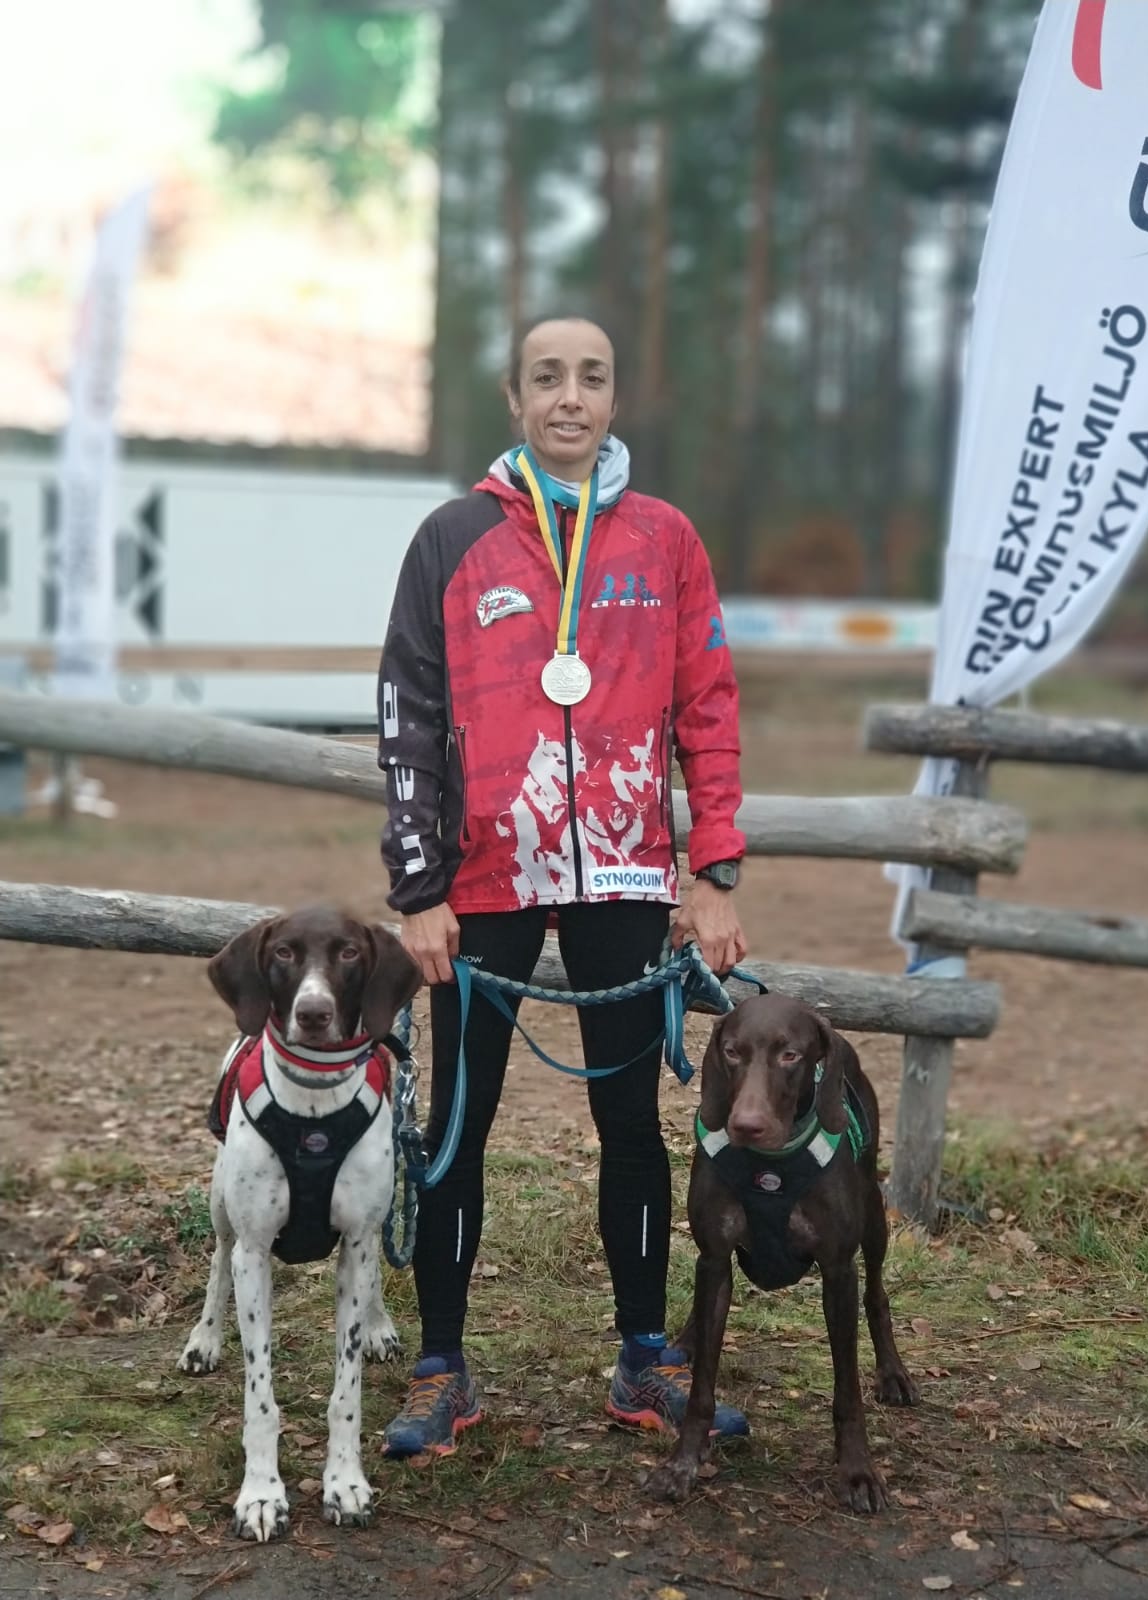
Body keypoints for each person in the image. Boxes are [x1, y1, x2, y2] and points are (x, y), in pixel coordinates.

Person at [375, 314, 749, 1457]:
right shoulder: (452, 538)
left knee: (629, 1120)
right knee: (461, 1123)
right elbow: (409, 720)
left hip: (628, 875)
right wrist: (418, 887)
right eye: (548, 378)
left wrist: (715, 869)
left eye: (590, 377)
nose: (569, 397)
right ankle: (442, 1367)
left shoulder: (666, 540)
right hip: (484, 876)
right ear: (514, 396)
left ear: (617, 396)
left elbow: (710, 708)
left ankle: (644, 1357)